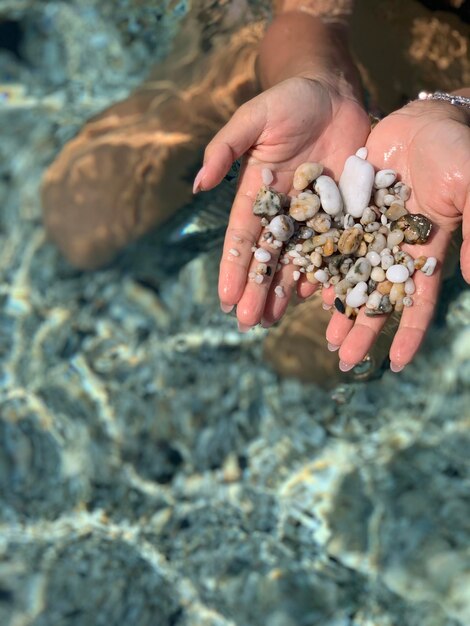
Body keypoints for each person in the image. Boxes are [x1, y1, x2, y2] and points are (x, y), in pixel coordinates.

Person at [193, 0, 470, 373]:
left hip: (444, 122)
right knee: (94, 220)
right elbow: (306, 14)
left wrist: (457, 109)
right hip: (377, 46)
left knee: (305, 359)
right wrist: (321, 79)